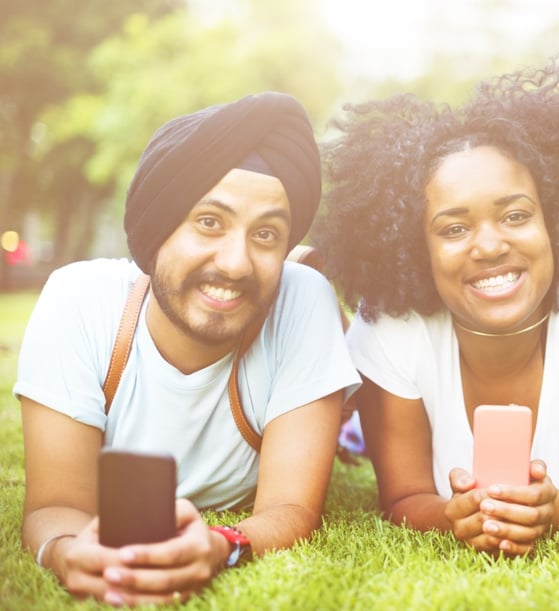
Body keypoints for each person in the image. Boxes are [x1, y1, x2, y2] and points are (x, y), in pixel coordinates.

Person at [15, 92, 361, 605]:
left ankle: (345, 421)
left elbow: (290, 508)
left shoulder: (299, 297)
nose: (236, 263)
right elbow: (56, 506)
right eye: (209, 222)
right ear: (158, 230)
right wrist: (68, 553)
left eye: (266, 234)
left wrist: (225, 546)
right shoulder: (79, 300)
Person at [312, 60, 559, 557]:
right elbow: (404, 498)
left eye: (516, 216)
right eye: (454, 228)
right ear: (417, 248)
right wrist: (456, 517)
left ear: (555, 221)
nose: (489, 246)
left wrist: (552, 511)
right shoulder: (394, 327)